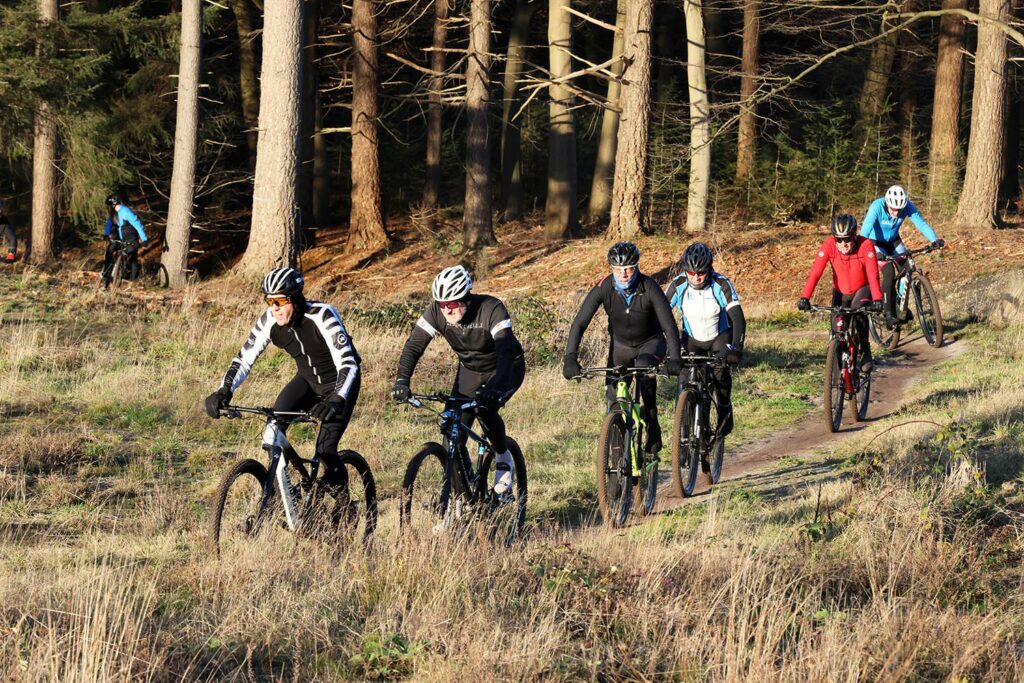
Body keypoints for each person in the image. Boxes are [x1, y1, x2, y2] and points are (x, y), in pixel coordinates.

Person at [205, 268, 361, 485]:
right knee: (272, 429)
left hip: (340, 386)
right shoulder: (269, 321)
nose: (275, 308)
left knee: (325, 449)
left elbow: (348, 362)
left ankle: (344, 507)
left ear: (295, 298)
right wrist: (224, 390)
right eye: (270, 302)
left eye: (280, 300)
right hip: (306, 382)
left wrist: (337, 398)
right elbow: (244, 359)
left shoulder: (322, 315)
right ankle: (280, 492)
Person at [390, 265, 526, 495]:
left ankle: (503, 456)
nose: (447, 310)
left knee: (485, 408)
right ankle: (464, 497)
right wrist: (402, 380)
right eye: (442, 304)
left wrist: (495, 388)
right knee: (451, 432)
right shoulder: (436, 311)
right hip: (470, 370)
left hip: (505, 367)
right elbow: (414, 345)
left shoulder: (491, 308)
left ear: (466, 297)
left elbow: (504, 350)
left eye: (452, 303)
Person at [562, 242, 682, 456]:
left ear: (636, 267)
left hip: (650, 343)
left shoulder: (649, 286)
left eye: (629, 268)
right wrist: (570, 357)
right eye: (618, 269)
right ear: (611, 269)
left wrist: (674, 356)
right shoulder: (604, 287)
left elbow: (668, 325)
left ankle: (652, 424)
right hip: (621, 347)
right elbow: (580, 322)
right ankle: (618, 460)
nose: (624, 274)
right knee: (613, 399)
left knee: (644, 370)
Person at [665, 242, 745, 437]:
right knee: (684, 379)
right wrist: (664, 349)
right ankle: (683, 430)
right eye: (691, 273)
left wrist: (736, 348)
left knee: (719, 375)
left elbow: (737, 318)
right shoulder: (678, 284)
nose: (696, 277)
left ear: (709, 269)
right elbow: (662, 314)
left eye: (701, 272)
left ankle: (725, 408)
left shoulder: (721, 284)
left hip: (719, 336)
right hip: (691, 339)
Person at [798, 214, 883, 374]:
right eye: (839, 239)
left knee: (859, 315)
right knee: (837, 331)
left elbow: (873, 274)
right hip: (840, 293)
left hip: (862, 289)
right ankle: (839, 371)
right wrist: (805, 297)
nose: (843, 244)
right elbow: (815, 273)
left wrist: (877, 298)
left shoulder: (865, 245)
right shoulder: (829, 245)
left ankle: (865, 349)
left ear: (854, 236)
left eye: (847, 239)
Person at [860, 184, 945, 326]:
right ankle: (888, 313)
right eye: (893, 209)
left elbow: (921, 224)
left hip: (893, 241)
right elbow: (864, 234)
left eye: (899, 209)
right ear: (887, 203)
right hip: (875, 244)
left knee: (908, 268)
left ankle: (900, 304)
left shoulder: (907, 206)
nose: (896, 213)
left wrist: (934, 239)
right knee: (888, 272)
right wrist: (873, 253)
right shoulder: (877, 206)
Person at [102, 194, 149, 284]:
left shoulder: (126, 212)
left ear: (113, 205)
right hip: (120, 238)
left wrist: (144, 239)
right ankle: (106, 272)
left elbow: (138, 225)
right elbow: (109, 224)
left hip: (131, 238)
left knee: (131, 257)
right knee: (110, 249)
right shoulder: (113, 214)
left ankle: (133, 280)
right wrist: (106, 234)